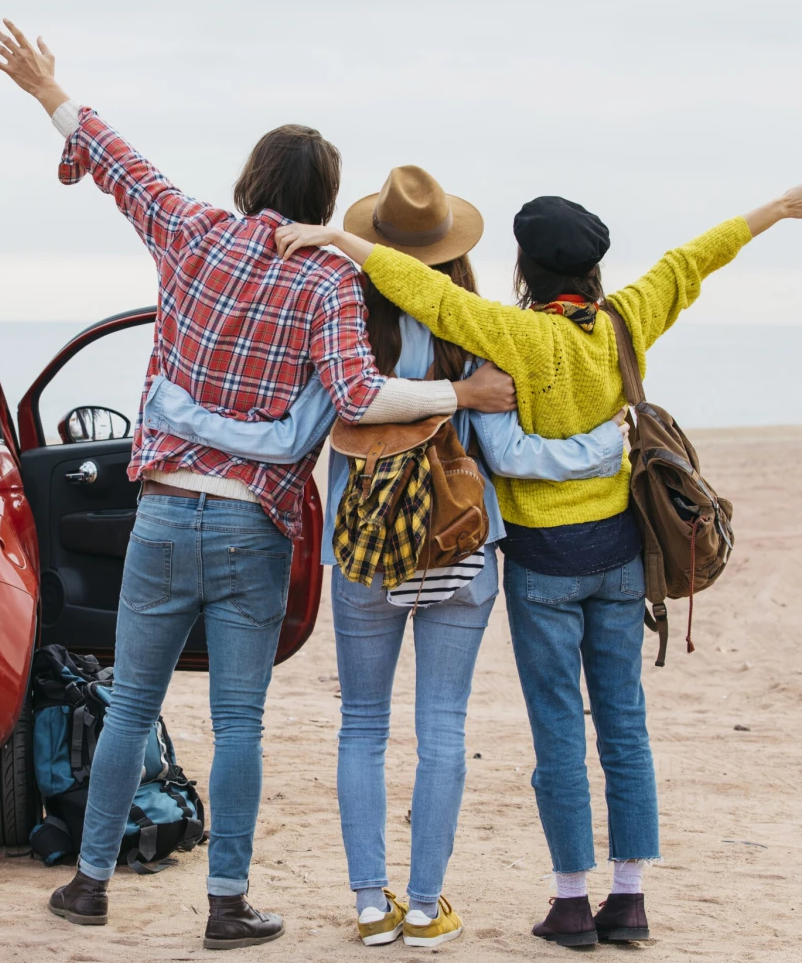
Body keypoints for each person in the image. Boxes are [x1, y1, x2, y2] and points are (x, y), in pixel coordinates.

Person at [0, 22, 511, 951]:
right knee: (238, 724)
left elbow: (115, 161)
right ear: (325, 202)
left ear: (249, 181)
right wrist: (459, 391)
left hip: (159, 515)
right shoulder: (326, 283)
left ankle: (89, 885)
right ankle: (227, 904)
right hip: (249, 527)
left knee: (131, 706)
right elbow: (355, 395)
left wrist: (47, 91)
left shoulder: (189, 231)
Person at [273, 180, 802, 946]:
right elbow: (693, 261)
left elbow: (420, 291)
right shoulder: (624, 322)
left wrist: (343, 241)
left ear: (523, 271)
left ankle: (572, 901)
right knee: (625, 725)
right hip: (620, 559)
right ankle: (629, 898)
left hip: (542, 568)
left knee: (557, 734)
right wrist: (774, 209)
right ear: (594, 271)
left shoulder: (512, 334)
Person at [139, 165, 628, 948]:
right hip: (461, 547)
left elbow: (307, 417)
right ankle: (428, 907)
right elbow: (505, 445)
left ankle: (372, 904)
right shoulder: (477, 328)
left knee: (361, 726)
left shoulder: (341, 310)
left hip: (365, 549)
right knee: (443, 727)